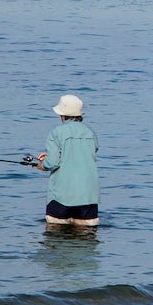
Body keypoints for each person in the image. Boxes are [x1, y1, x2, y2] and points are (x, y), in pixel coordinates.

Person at [37, 94, 100, 227]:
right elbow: (85, 154)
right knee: (86, 242)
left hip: (61, 196)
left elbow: (52, 162)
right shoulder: (90, 132)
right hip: (88, 196)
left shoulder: (56, 132)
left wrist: (42, 164)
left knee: (56, 239)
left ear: (62, 114)